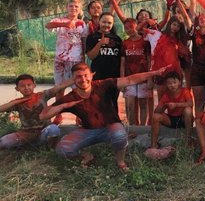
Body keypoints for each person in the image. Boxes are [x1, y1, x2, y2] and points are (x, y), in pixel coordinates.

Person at [40, 63, 170, 170]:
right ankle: (86, 156)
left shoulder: (103, 85)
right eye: (78, 77)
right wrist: (63, 105)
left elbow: (130, 79)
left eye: (86, 75)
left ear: (92, 75)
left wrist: (154, 73)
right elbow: (43, 115)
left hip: (110, 128)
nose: (83, 79)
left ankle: (120, 162)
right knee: (63, 149)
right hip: (88, 131)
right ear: (73, 79)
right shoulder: (71, 97)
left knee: (120, 135)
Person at [0, 75, 72, 149]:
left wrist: (73, 80)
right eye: (22, 86)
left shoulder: (42, 96)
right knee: (5, 141)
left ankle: (48, 149)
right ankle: (29, 146)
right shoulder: (18, 103)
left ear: (34, 85)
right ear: (17, 88)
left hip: (43, 132)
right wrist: (14, 103)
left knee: (54, 129)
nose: (26, 88)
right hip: (26, 134)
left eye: (29, 85)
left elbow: (57, 88)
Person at [45, 0, 88, 99]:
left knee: (77, 88)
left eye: (76, 6)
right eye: (71, 6)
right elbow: (48, 25)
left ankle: (77, 109)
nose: (73, 8)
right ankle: (59, 109)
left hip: (76, 60)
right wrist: (65, 24)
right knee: (59, 88)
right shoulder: (59, 20)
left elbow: (83, 41)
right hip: (61, 60)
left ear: (80, 9)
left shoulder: (82, 24)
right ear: (66, 7)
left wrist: (83, 58)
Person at [149, 71, 194, 151]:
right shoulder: (166, 94)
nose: (172, 85)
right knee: (156, 116)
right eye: (169, 83)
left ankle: (188, 141)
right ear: (166, 84)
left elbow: (190, 103)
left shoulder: (185, 91)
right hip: (171, 119)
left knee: (188, 110)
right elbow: (156, 111)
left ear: (179, 82)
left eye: (174, 82)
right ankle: (153, 145)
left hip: (184, 119)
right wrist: (164, 106)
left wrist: (176, 105)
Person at [120, 17, 152, 126]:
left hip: (143, 78)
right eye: (126, 28)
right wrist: (122, 80)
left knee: (143, 104)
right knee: (130, 105)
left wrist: (150, 78)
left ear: (136, 26)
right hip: (129, 78)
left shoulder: (145, 42)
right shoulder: (125, 43)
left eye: (131, 27)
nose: (129, 30)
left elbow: (149, 60)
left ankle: (142, 128)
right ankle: (133, 128)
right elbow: (122, 63)